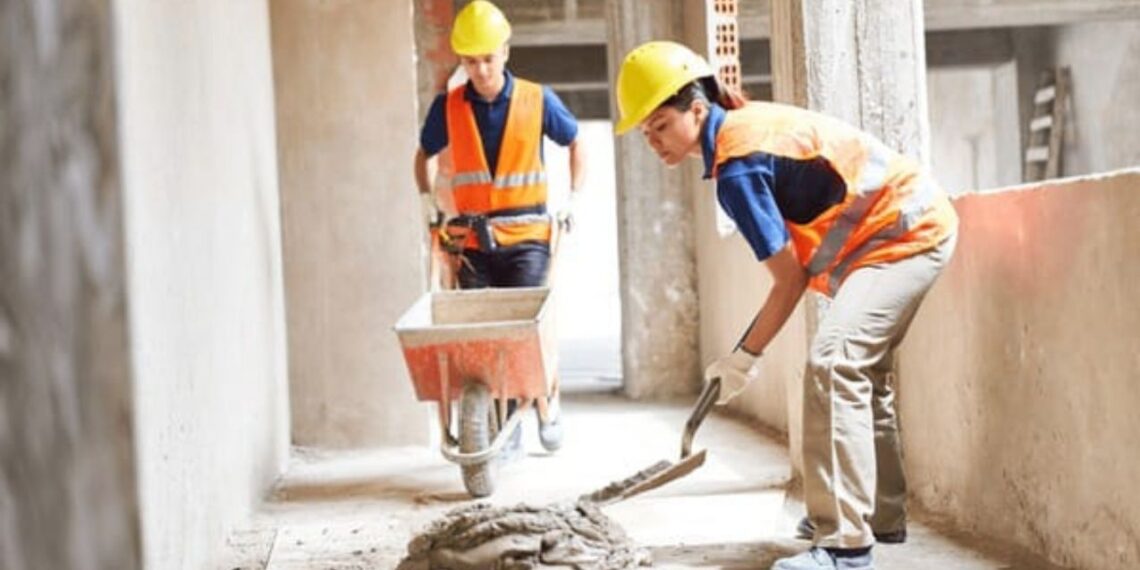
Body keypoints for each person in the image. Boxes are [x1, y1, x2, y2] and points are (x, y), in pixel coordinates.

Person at [613, 41, 958, 570]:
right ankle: (878, 515)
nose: (653, 140)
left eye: (660, 124)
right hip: (906, 227)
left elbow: (788, 280)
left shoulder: (737, 167)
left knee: (834, 363)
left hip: (903, 236)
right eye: (645, 132)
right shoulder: (740, 132)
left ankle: (845, 543)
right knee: (868, 375)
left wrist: (743, 358)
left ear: (697, 110)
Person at [413, 0, 585, 453]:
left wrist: (571, 200)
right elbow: (424, 156)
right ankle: (502, 421)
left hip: (528, 236)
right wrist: (429, 202)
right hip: (471, 239)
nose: (481, 69)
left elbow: (575, 141)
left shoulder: (536, 99)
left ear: (505, 52)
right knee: (482, 334)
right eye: (471, 61)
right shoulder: (448, 108)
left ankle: (545, 400)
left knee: (524, 325)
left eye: (488, 58)